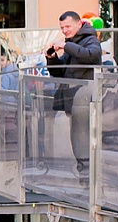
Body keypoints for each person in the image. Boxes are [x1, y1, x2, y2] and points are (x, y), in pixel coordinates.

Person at [44, 10, 103, 176]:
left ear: (79, 24)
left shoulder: (90, 39)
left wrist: (66, 46)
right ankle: (84, 173)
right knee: (76, 138)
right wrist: (52, 58)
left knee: (82, 138)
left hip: (85, 101)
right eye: (62, 27)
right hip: (73, 99)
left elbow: (92, 55)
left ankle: (88, 174)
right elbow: (61, 71)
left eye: (67, 26)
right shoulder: (72, 42)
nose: (64, 30)